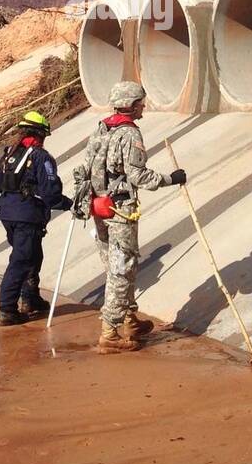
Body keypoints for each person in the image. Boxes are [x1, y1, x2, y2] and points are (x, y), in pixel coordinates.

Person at [74, 81, 187, 353]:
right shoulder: (129, 134)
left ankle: (128, 318)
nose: (143, 107)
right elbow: (138, 175)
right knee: (122, 269)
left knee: (115, 265)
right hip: (120, 210)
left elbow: (84, 169)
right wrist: (171, 179)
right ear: (132, 105)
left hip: (99, 208)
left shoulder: (102, 128)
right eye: (141, 103)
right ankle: (110, 332)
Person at [0, 111, 71, 326]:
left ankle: (30, 298)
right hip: (27, 215)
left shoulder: (8, 154)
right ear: (40, 134)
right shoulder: (41, 157)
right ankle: (7, 310)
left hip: (7, 213)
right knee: (21, 261)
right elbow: (51, 194)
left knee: (33, 256)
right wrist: (70, 204)